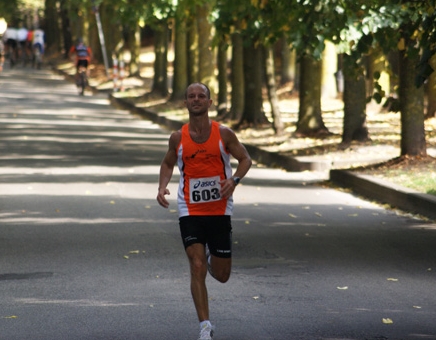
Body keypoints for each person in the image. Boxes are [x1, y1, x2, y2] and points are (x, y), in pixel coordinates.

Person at [156, 82, 252, 340]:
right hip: (189, 208)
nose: (196, 100)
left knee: (222, 275)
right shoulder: (178, 138)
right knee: (195, 264)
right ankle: (205, 326)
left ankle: (213, 257)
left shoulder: (224, 135)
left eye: (201, 96)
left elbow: (246, 159)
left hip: (219, 209)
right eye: (191, 96)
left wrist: (234, 181)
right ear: (185, 103)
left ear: (210, 103)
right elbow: (167, 164)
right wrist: (162, 187)